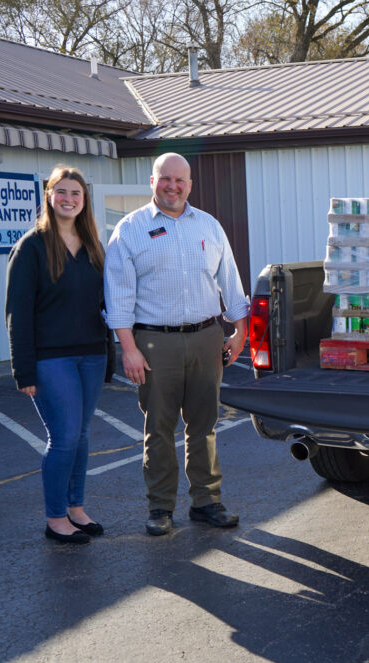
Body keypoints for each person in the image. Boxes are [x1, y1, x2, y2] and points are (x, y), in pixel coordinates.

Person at [104, 152, 249, 536]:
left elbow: (230, 281)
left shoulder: (209, 226)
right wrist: (128, 348)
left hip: (206, 338)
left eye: (180, 180)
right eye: (165, 179)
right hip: (155, 342)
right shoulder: (130, 229)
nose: (173, 186)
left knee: (205, 426)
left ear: (190, 185)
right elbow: (117, 296)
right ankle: (161, 507)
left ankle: (206, 502)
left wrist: (240, 331)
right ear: (153, 182)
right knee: (160, 429)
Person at [6, 166, 113, 544]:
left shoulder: (93, 247)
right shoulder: (31, 247)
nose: (69, 199)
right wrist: (23, 370)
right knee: (64, 437)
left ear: (84, 200)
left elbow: (104, 304)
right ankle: (55, 518)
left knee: (81, 436)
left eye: (76, 193)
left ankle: (76, 509)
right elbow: (18, 313)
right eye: (62, 192)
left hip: (91, 355)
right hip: (51, 359)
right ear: (49, 196)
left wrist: (112, 354)